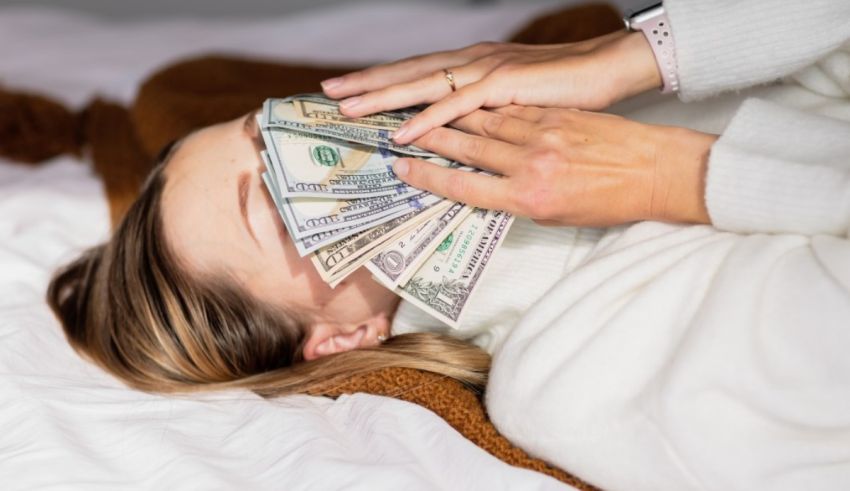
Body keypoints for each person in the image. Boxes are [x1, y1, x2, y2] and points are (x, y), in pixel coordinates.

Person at [48, 0, 850, 488]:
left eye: (273, 128)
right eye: (277, 194)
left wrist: (637, 55)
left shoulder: (582, 107)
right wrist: (680, 178)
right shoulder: (573, 379)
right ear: (339, 337)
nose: (316, 146)